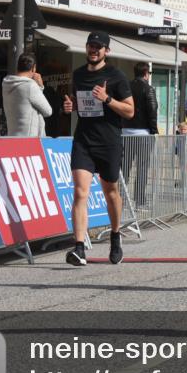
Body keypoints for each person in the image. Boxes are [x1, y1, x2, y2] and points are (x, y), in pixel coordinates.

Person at [61, 31, 134, 266]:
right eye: (90, 46)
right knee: (80, 192)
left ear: (106, 51)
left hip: (109, 141)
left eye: (98, 47)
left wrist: (107, 99)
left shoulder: (116, 76)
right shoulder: (79, 74)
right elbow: (81, 103)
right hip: (83, 139)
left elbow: (130, 111)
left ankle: (115, 236)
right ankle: (79, 248)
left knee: (110, 191)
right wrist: (72, 105)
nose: (93, 50)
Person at [123, 62, 159, 207]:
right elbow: (152, 109)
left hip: (125, 132)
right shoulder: (148, 89)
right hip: (143, 133)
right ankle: (139, 200)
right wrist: (154, 130)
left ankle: (122, 198)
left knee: (124, 167)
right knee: (142, 167)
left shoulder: (126, 88)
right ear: (146, 73)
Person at [2, 53, 52, 137]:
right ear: (33, 68)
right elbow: (48, 111)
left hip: (12, 137)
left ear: (18, 67)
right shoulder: (30, 86)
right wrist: (40, 86)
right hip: (29, 140)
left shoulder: (6, 84)